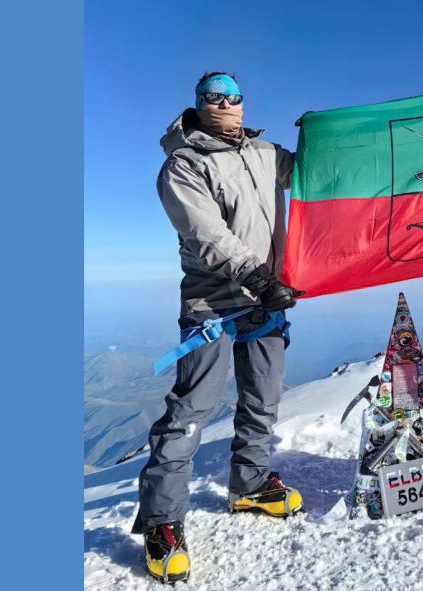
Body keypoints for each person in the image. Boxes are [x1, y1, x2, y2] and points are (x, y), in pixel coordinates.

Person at [131, 72, 306, 583]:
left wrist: (323, 136)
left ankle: (249, 485)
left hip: (267, 296)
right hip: (214, 301)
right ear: (199, 103)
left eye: (233, 95)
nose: (225, 103)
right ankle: (163, 523)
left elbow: (317, 174)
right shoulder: (183, 164)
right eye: (214, 95)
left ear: (244, 102)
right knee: (192, 409)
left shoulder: (267, 153)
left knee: (263, 397)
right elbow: (206, 233)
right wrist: (257, 275)